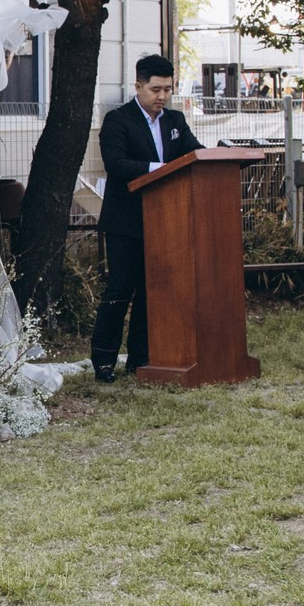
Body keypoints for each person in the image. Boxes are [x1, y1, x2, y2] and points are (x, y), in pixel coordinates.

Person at [89, 55, 203, 381]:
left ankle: (141, 358)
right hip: (126, 221)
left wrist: (214, 155)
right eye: (155, 89)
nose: (162, 97)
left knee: (151, 292)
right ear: (138, 86)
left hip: (166, 221)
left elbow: (193, 152)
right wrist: (160, 170)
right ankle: (104, 360)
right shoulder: (117, 120)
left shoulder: (175, 121)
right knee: (119, 290)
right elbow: (116, 164)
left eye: (168, 89)